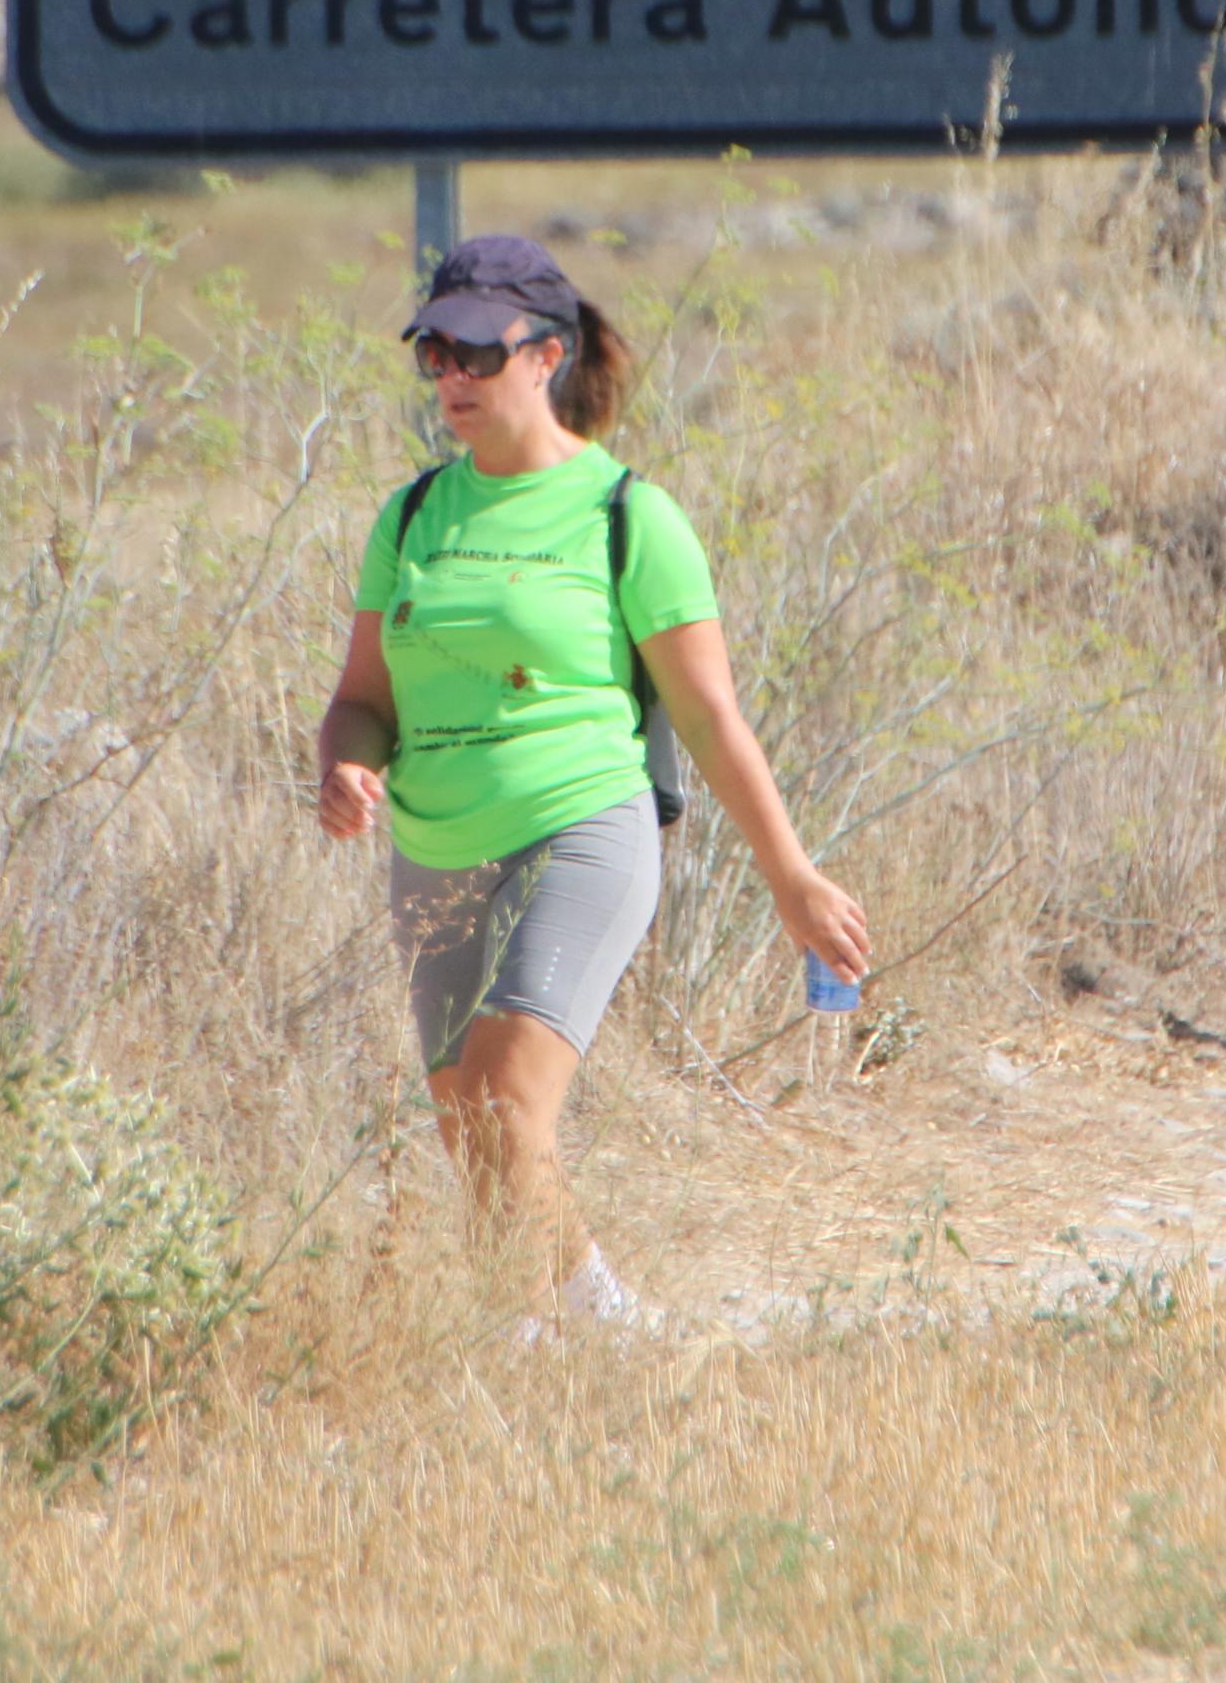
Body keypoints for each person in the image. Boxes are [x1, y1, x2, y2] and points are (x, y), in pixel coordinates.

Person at [315, 235, 868, 1328]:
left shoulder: (628, 515)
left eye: (476, 349)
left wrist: (791, 877)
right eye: (433, 350)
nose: (450, 377)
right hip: (433, 844)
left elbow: (711, 717)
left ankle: (582, 1335)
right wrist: (344, 760)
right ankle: (562, 1333)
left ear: (546, 355)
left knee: (505, 1100)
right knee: (470, 1126)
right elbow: (361, 695)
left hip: (580, 826)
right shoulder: (414, 514)